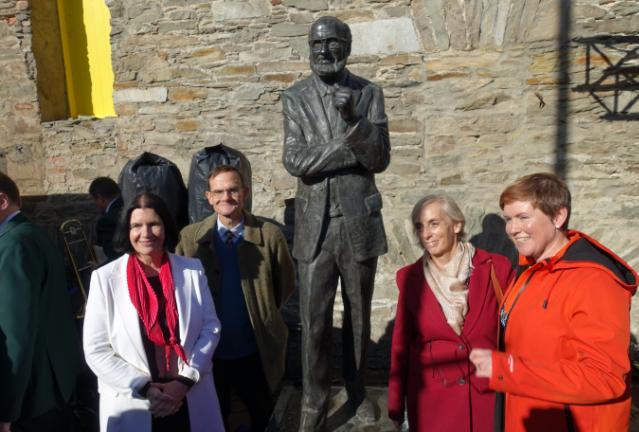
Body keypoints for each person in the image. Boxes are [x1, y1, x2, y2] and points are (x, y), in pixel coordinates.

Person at [282, 16, 391, 430]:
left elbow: (379, 158)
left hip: (359, 221)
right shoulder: (294, 97)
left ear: (347, 46)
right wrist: (350, 146)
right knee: (313, 321)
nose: (324, 51)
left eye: (332, 43)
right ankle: (314, 399)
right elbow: (296, 162)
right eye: (316, 44)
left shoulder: (368, 93)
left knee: (359, 316)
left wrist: (355, 123)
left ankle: (358, 389)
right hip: (316, 228)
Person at [470, 173, 638, 431]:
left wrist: (508, 369)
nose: (512, 229)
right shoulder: (528, 269)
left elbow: (604, 379)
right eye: (508, 219)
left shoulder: (594, 280)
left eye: (523, 217)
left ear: (558, 217)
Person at [83, 192, 225, 432]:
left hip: (187, 396)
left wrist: (184, 381)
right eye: (137, 225)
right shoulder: (105, 279)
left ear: (166, 227)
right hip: (135, 399)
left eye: (153, 224)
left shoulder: (192, 270)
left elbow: (210, 328)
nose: (145, 233)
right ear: (127, 231)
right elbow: (96, 349)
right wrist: (144, 387)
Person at [176, 165, 295, 431]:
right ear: (208, 197)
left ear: (245, 192)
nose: (225, 197)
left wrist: (261, 311)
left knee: (262, 416)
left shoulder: (269, 236)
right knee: (215, 419)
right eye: (218, 192)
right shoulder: (190, 239)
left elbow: (285, 284)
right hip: (208, 355)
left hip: (255, 350)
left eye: (232, 190)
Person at [388, 194, 514, 431]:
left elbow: (516, 333)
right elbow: (401, 344)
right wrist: (395, 403)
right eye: (419, 227)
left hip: (488, 397)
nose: (426, 234)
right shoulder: (410, 279)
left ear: (456, 225)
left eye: (434, 223)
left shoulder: (497, 268)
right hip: (433, 403)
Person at [0, 171, 82, 432]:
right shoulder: (31, 232)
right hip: (54, 383)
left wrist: (7, 409)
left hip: (32, 394)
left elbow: (16, 334)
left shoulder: (14, 244)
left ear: (2, 201)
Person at [89, 176, 124, 262]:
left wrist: (99, 269)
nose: (96, 204)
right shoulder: (131, 206)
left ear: (100, 198)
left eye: (95, 200)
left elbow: (113, 255)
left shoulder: (105, 221)